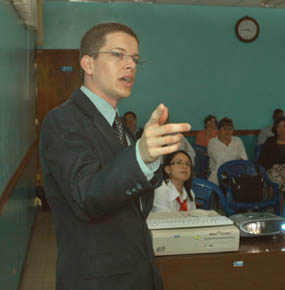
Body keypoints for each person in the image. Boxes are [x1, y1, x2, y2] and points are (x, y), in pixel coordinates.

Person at [39, 23, 190, 290]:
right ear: (88, 63)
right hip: (98, 279)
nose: (130, 65)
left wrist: (149, 158)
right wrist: (141, 155)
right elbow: (86, 197)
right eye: (118, 54)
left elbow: (136, 198)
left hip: (140, 272)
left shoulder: (120, 126)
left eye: (134, 58)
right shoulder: (63, 121)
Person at [207, 117, 247, 185]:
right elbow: (221, 161)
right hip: (218, 176)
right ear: (218, 131)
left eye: (230, 129)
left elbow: (243, 159)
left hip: (237, 174)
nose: (227, 132)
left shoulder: (237, 140)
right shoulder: (212, 142)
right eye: (224, 129)